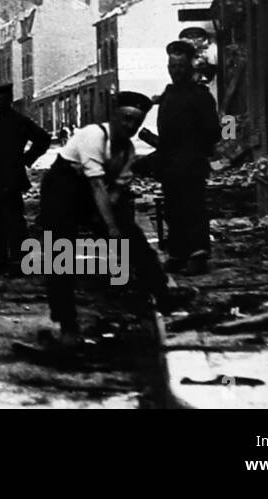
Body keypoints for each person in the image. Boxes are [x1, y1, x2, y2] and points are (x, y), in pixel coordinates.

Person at [36, 92, 170, 347]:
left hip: (90, 192)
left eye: (136, 123)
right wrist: (109, 228)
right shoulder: (93, 136)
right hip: (61, 188)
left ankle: (162, 293)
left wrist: (115, 230)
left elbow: (115, 194)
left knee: (132, 237)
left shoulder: (127, 151)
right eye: (126, 118)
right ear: (114, 116)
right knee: (60, 253)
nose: (130, 126)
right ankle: (68, 327)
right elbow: (97, 186)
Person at [138, 40, 222, 275]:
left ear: (190, 68)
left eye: (181, 67)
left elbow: (216, 130)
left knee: (193, 208)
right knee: (173, 209)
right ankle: (178, 253)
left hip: (191, 163)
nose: (176, 72)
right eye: (172, 67)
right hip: (170, 164)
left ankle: (198, 255)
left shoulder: (200, 96)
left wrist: (196, 151)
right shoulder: (168, 95)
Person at [0, 83, 52, 274]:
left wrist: (26, 159)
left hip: (10, 178)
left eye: (0, 99)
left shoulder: (20, 121)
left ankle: (21, 262)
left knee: (14, 221)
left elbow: (43, 139)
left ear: (9, 101)